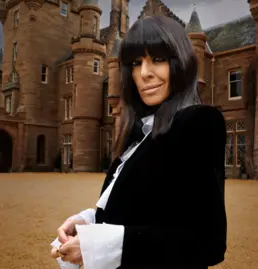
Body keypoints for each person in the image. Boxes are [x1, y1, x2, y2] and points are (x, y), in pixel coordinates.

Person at [50, 15, 227, 269]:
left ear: (180, 63)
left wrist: (96, 246)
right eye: (135, 63)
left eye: (157, 59)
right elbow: (142, 212)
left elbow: (207, 242)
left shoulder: (198, 122)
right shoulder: (141, 132)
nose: (144, 73)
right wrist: (88, 223)